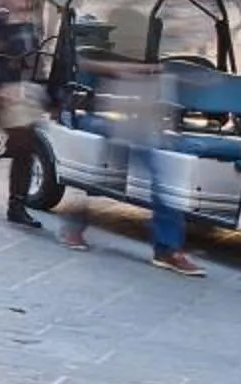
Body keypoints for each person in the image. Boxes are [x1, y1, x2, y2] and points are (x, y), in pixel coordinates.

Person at [59, 57, 203, 275]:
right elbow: (87, 63)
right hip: (107, 116)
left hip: (140, 122)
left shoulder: (155, 44)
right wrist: (144, 70)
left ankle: (167, 248)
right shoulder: (109, 38)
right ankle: (166, 249)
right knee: (93, 171)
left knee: (165, 176)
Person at [0, 0, 47, 229]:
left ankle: (17, 204)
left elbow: (35, 60)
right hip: (8, 92)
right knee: (25, 147)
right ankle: (17, 206)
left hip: (26, 91)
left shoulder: (30, 24)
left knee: (25, 151)